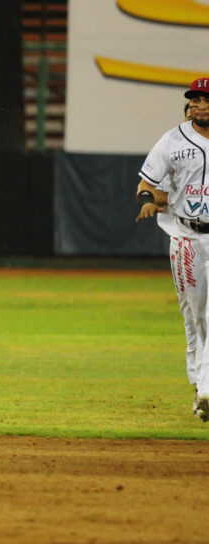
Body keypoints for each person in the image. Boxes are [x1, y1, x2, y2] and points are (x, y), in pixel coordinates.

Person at [136, 77, 209, 420]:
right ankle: (199, 385)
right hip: (186, 237)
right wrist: (149, 200)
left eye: (204, 100)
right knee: (194, 316)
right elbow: (149, 185)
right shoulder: (173, 141)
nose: (198, 105)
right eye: (193, 100)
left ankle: (207, 390)